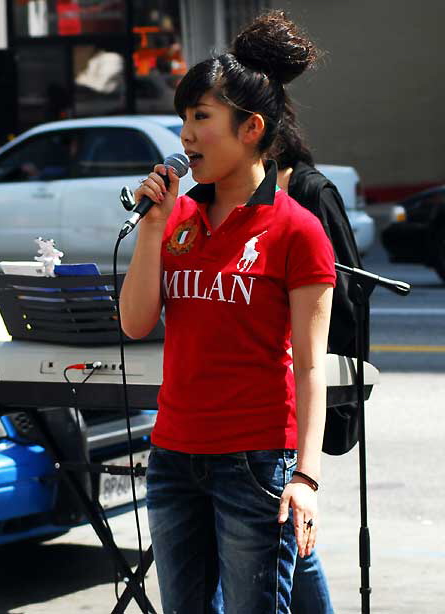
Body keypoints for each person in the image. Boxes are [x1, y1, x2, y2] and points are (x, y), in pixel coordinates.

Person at [119, 11, 336, 614]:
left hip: (255, 460)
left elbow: (310, 367)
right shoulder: (177, 219)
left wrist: (306, 477)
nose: (185, 134)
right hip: (172, 455)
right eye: (183, 118)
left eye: (201, 118)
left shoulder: (297, 229)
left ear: (251, 128)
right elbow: (135, 323)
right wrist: (151, 229)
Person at [269, 100, 365, 614]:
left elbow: (345, 293)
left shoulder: (310, 191)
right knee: (283, 536)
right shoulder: (220, 199)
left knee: (286, 531)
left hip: (296, 379)